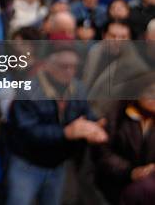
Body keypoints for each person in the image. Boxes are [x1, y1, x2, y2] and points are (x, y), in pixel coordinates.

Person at [6, 47, 108, 205]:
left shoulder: (77, 88)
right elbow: (27, 131)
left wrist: (94, 126)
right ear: (47, 65)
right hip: (27, 163)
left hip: (57, 164)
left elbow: (85, 112)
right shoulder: (27, 90)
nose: (69, 71)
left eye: (74, 67)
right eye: (63, 66)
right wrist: (65, 133)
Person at [94, 80, 155, 204]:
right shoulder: (117, 115)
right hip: (119, 181)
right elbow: (103, 153)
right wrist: (130, 172)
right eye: (150, 92)